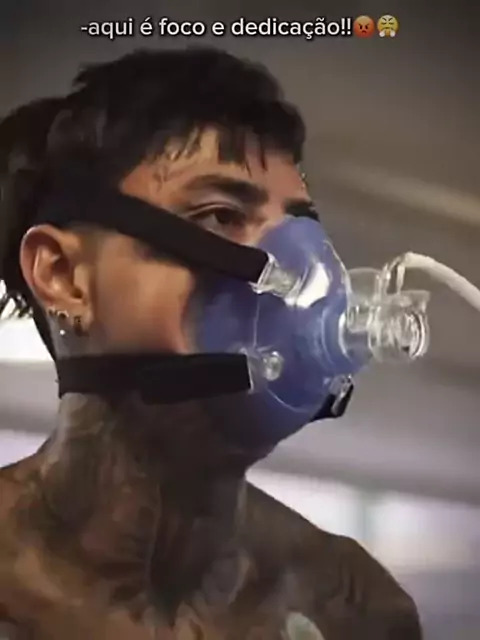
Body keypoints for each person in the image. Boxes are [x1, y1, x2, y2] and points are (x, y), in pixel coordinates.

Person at [0, 47, 422, 639]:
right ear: (64, 276)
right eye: (220, 217)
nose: (297, 277)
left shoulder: (352, 605)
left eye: (299, 229)